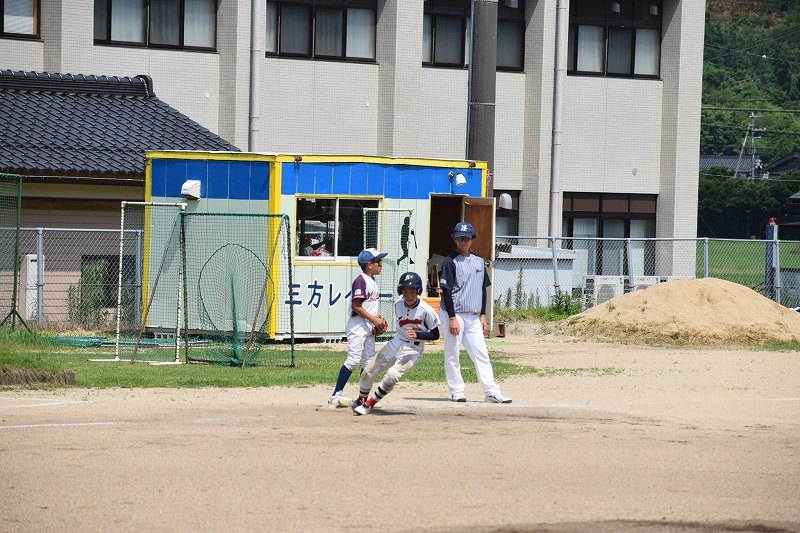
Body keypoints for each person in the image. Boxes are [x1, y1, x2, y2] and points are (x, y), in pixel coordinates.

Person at [439, 221, 512, 404]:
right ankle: (457, 391)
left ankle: (491, 392)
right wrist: (452, 318)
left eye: (466, 238)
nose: (463, 242)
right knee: (452, 353)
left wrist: (483, 314)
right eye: (459, 238)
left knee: (481, 353)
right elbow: (446, 292)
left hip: (472, 316)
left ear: (473, 239)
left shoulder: (479, 260)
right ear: (454, 239)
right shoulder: (450, 262)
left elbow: (482, 289)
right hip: (454, 313)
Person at [352, 271, 441, 415]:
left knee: (392, 375)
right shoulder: (398, 304)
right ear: (400, 292)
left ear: (418, 291)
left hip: (413, 348)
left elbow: (435, 335)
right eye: (405, 291)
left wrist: (418, 335)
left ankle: (369, 404)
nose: (409, 295)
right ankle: (361, 399)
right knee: (368, 370)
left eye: (412, 291)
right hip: (396, 341)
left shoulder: (426, 310)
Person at [328, 248, 389, 407]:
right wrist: (374, 319)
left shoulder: (372, 281)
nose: (380, 265)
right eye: (378, 262)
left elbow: (367, 306)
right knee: (353, 360)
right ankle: (336, 395)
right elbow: (356, 306)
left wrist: (376, 320)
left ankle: (362, 399)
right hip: (357, 325)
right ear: (369, 265)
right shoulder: (361, 280)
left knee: (368, 363)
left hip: (367, 325)